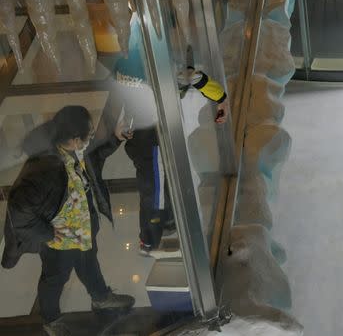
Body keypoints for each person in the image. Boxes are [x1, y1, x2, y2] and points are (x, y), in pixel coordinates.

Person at [2, 106, 135, 336]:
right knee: (54, 279)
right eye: (89, 134)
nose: (92, 137)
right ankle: (51, 319)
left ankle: (101, 297)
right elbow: (18, 210)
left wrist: (115, 138)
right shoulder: (45, 169)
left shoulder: (73, 149)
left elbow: (94, 156)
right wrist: (47, 234)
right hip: (59, 242)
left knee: (89, 265)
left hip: (82, 230)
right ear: (74, 140)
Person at [112, 20, 229, 257]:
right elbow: (197, 79)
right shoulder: (166, 70)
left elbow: (120, 96)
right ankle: (149, 241)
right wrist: (222, 99)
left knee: (160, 184)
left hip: (142, 135)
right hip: (154, 138)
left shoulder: (123, 63)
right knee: (154, 190)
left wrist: (119, 122)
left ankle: (166, 223)